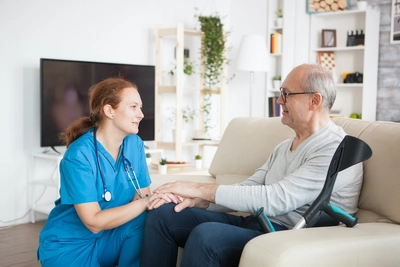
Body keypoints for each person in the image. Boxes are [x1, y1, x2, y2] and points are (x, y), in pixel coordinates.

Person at [140, 64, 363, 267]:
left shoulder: (335, 150)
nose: (279, 101)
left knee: (207, 235)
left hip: (290, 235)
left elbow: (276, 199)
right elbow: (250, 189)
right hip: (260, 223)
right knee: (164, 214)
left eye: (286, 94)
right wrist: (198, 201)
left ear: (314, 101)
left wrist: (196, 188)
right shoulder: (286, 146)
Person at [37, 77, 171, 267]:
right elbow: (93, 222)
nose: (141, 114)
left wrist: (156, 199)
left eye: (140, 107)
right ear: (109, 110)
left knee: (145, 217)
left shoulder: (135, 144)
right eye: (133, 107)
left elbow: (144, 194)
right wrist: (146, 201)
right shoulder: (78, 155)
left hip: (108, 238)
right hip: (69, 246)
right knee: (143, 208)